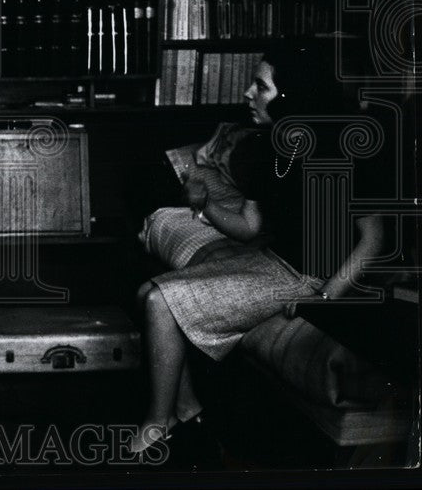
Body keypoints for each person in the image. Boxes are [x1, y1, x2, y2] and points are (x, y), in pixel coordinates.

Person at [131, 45, 386, 454]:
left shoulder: (342, 150)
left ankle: (156, 426)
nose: (249, 94)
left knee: (161, 301)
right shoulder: (272, 149)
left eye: (261, 86)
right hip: (272, 263)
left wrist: (325, 298)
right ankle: (187, 410)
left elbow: (373, 238)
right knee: (148, 293)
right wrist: (204, 204)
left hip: (308, 277)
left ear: (292, 97)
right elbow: (250, 228)